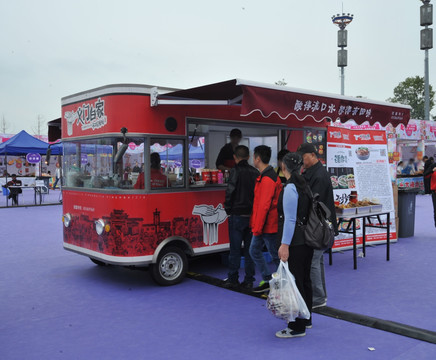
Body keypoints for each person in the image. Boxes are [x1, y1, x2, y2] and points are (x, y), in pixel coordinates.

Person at [276, 152, 313, 338]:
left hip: (296, 241)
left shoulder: (290, 188)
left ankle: (297, 326)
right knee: (305, 279)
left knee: (295, 283)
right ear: (300, 167)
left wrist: (284, 245)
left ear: (283, 168)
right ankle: (307, 318)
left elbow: (290, 220)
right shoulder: (304, 185)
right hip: (307, 239)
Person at [297, 143, 337, 309]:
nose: (302, 161)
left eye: (303, 157)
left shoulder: (318, 175)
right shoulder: (314, 172)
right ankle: (320, 296)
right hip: (320, 224)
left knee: (314, 261)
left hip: (318, 226)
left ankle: (318, 298)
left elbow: (314, 202)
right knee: (317, 260)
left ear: (312, 155)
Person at [223, 145, 259, 289]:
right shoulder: (255, 172)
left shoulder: (235, 171)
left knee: (235, 250)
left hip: (236, 215)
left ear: (235, 157)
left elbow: (230, 191)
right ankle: (249, 280)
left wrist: (228, 208)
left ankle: (233, 278)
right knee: (250, 251)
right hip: (251, 216)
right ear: (249, 157)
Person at [249, 145, 282, 293]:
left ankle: (283, 281)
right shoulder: (265, 176)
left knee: (275, 256)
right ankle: (270, 279)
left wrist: (257, 228)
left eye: (253, 157)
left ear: (258, 159)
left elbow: (264, 206)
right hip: (265, 224)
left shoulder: (268, 178)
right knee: (255, 251)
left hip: (268, 225)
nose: (252, 159)